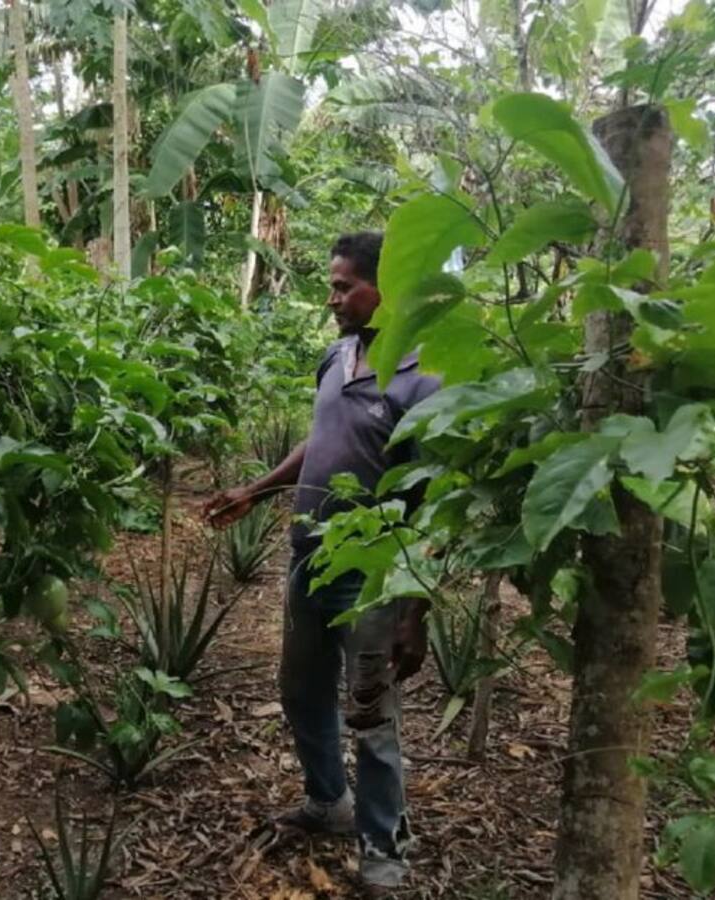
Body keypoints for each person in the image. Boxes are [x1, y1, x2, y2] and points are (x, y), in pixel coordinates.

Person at [204, 231, 440, 893]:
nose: (332, 298)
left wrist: (415, 609)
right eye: (332, 286)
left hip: (371, 578)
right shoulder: (336, 356)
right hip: (309, 558)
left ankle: (384, 855)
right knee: (300, 690)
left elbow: (432, 500)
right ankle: (327, 800)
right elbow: (322, 440)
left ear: (387, 289)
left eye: (344, 287)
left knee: (372, 718)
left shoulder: (424, 380)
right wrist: (256, 490)